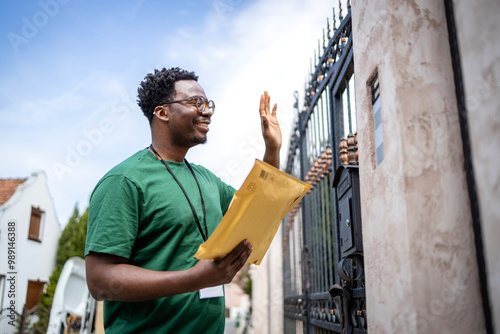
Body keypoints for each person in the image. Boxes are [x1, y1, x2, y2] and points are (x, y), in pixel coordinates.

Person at [84, 67, 282, 333]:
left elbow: (254, 213)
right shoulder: (124, 180)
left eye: (208, 104)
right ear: (162, 112)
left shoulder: (207, 180)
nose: (208, 111)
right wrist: (194, 279)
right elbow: (99, 281)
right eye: (196, 103)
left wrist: (272, 150)